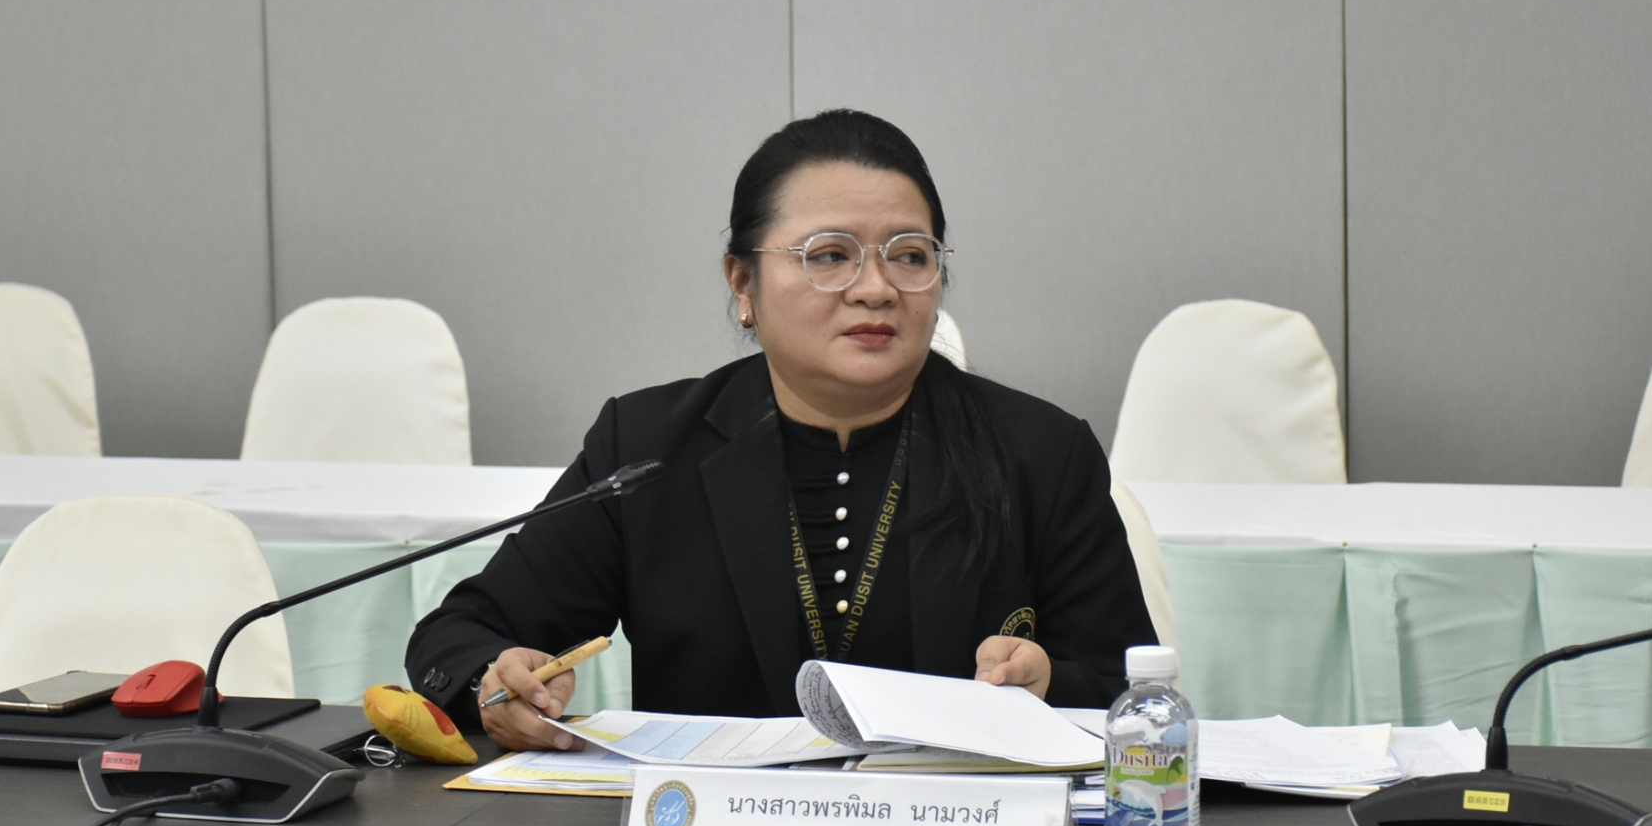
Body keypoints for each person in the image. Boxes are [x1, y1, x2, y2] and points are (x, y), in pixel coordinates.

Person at [406, 109, 1156, 752]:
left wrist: (1049, 684)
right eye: (829, 256)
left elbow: (1134, 693)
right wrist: (494, 682)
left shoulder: (1039, 453)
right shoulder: (648, 448)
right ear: (743, 283)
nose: (875, 288)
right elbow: (461, 634)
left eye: (910, 256)